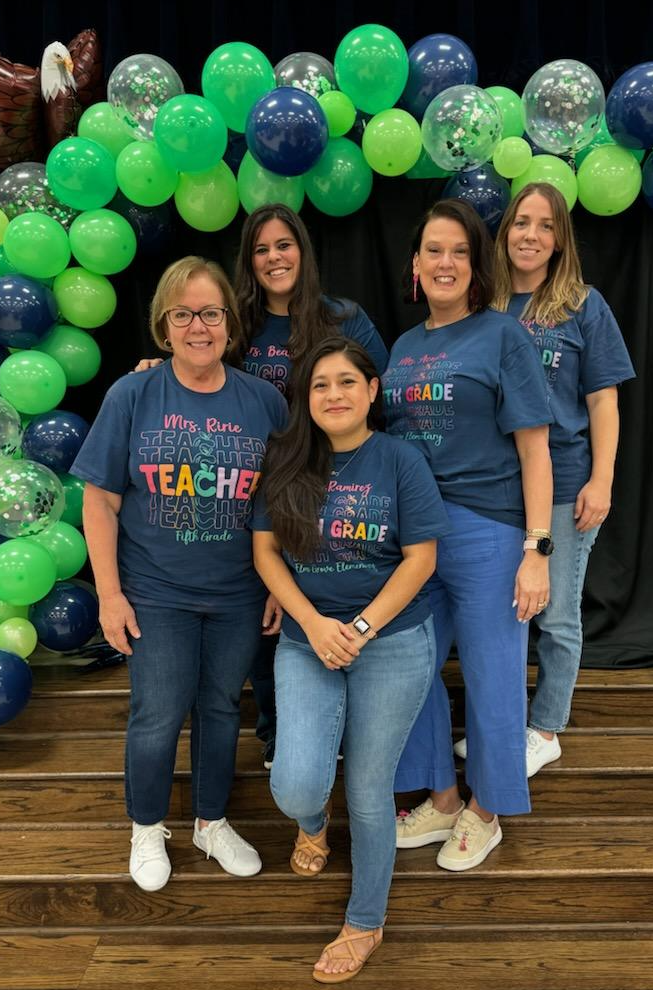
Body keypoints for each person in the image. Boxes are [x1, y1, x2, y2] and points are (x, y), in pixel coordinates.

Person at [135, 204, 389, 770]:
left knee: (323, 604)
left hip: (331, 487)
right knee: (268, 615)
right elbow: (196, 363)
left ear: (303, 250)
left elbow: (379, 395)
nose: (275, 258)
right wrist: (157, 365)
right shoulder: (238, 323)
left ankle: (341, 735)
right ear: (248, 262)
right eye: (261, 249)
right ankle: (277, 736)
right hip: (253, 493)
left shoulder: (342, 317)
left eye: (284, 245)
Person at [70, 256, 287, 892]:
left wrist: (278, 585)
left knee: (221, 709)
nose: (199, 326)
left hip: (238, 594)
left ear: (231, 320)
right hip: (156, 593)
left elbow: (279, 502)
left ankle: (210, 821)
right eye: (184, 314)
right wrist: (109, 595)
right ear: (165, 324)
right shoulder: (133, 394)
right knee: (158, 714)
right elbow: (100, 500)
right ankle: (146, 828)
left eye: (211, 313)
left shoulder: (264, 401)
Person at [252, 336, 450, 982]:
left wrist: (359, 628)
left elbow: (421, 559)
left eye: (345, 382)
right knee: (296, 784)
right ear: (304, 400)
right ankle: (313, 822)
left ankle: (365, 921)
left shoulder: (399, 461)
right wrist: (312, 623)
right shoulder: (285, 462)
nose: (332, 395)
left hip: (390, 642)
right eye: (319, 386)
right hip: (307, 640)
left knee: (369, 790)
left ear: (370, 391)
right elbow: (265, 554)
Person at [386, 199, 553, 871]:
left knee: (491, 676)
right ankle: (445, 798)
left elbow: (536, 448)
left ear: (475, 265)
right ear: (416, 264)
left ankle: (486, 812)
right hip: (413, 540)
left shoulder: (502, 336)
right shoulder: (403, 346)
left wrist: (536, 551)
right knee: (412, 673)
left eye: (457, 250)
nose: (444, 262)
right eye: (432, 249)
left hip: (487, 531)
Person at [454, 181, 634, 775]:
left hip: (562, 482)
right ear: (504, 233)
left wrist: (602, 479)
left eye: (545, 226)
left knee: (555, 613)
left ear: (560, 241)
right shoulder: (482, 304)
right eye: (521, 222)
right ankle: (501, 726)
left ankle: (546, 727)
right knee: (501, 610)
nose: (531, 235)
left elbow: (604, 402)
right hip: (493, 487)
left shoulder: (583, 305)